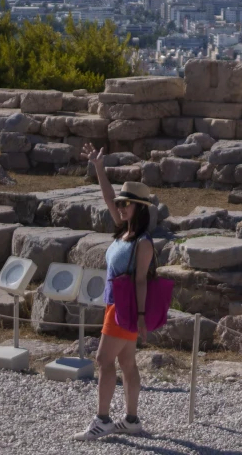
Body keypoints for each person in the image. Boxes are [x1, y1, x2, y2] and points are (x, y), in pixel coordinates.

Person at [73, 144, 156, 441]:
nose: (121, 207)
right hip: (116, 306)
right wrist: (98, 167)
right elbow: (108, 197)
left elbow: (142, 282)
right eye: (121, 203)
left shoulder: (143, 242)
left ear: (140, 208)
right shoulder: (123, 230)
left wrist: (143, 317)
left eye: (127, 204)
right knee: (126, 363)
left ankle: (103, 419)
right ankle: (131, 420)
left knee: (103, 360)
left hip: (126, 309)